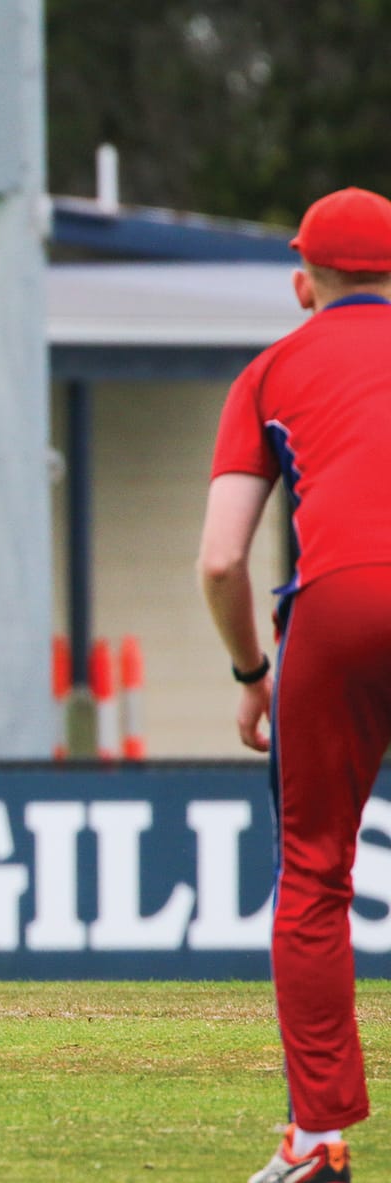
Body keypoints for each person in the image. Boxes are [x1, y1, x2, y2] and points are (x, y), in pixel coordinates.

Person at [201, 187, 391, 1183]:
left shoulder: (272, 367)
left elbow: (220, 560)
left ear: (301, 280)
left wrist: (248, 674)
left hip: (341, 608)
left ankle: (314, 1142)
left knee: (314, 873)